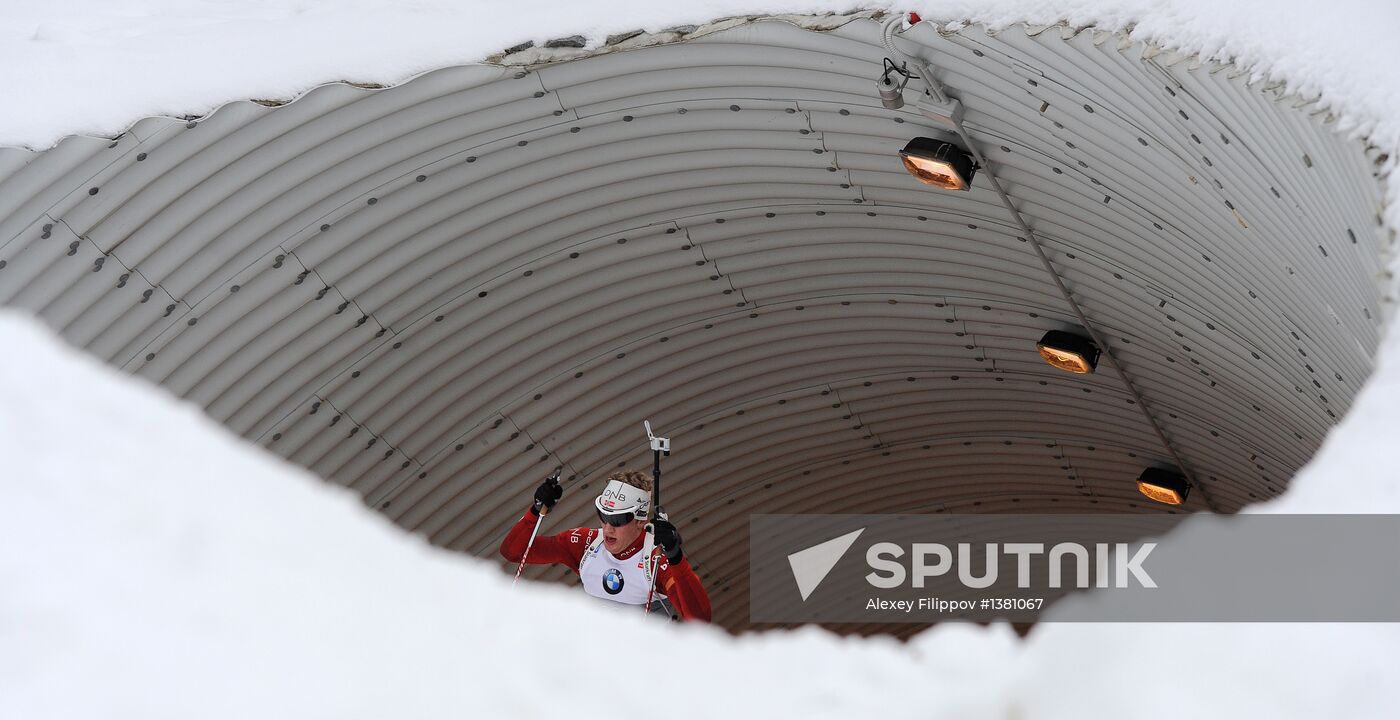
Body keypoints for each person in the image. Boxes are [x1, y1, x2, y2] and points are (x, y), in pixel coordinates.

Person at [499, 469, 711, 622]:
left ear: (640, 521)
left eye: (618, 520)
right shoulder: (586, 543)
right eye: (603, 515)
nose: (608, 527)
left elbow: (700, 622)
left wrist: (676, 557)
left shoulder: (655, 560)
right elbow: (513, 552)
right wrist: (536, 511)